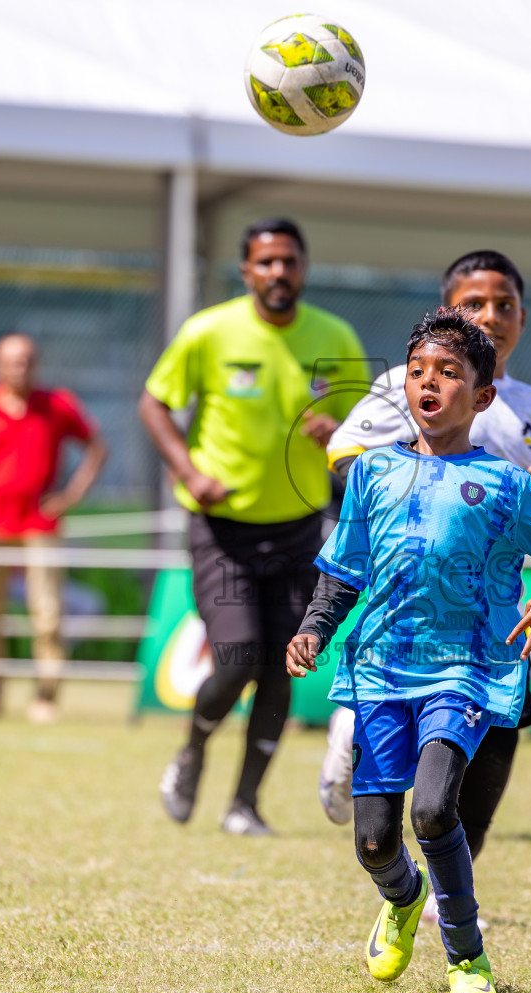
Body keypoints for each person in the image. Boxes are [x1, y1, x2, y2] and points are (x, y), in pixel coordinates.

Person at [287, 309, 531, 993]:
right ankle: (401, 897)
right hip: (380, 671)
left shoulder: (508, 484)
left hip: (468, 672)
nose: (430, 383)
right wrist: (314, 626)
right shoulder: (372, 475)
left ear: (483, 397)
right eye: (419, 372)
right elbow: (345, 569)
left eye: (450, 373)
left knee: (431, 810)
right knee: (374, 842)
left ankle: (467, 958)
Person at [317, 250, 531, 852]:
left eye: (504, 305)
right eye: (473, 303)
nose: (490, 315)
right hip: (413, 588)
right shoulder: (408, 386)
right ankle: (350, 728)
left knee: (505, 720)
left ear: (523, 320)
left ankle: (463, 857)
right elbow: (341, 458)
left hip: (493, 599)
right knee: (395, 691)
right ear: (447, 311)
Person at [141, 217, 367, 837]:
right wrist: (189, 472)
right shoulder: (209, 331)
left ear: (303, 268)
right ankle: (192, 751)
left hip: (299, 528)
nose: (278, 272)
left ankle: (244, 805)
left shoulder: (334, 335)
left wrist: (339, 435)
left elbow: (368, 428)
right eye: (265, 262)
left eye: (289, 261)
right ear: (246, 271)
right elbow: (154, 402)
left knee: (282, 665)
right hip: (224, 530)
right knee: (237, 657)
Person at [0, 334, 106, 725]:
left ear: (36, 364)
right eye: (11, 361)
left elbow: (97, 447)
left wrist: (71, 495)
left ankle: (46, 696)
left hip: (41, 527)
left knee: (48, 616)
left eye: (26, 361)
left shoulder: (57, 405)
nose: (19, 368)